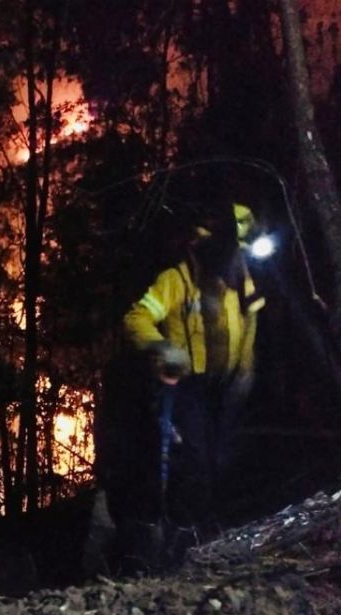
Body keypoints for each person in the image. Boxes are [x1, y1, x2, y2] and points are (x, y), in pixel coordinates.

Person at [83, 200, 266, 575]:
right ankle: (173, 548)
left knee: (217, 462)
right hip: (184, 388)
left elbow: (248, 331)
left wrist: (244, 375)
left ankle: (194, 536)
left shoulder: (241, 282)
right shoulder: (176, 281)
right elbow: (137, 318)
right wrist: (162, 347)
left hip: (225, 390)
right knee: (191, 462)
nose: (236, 260)